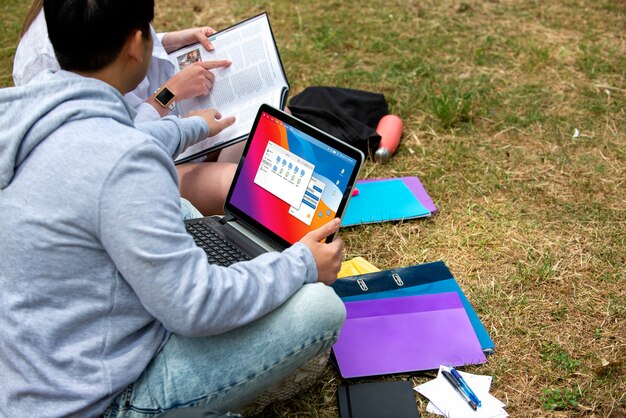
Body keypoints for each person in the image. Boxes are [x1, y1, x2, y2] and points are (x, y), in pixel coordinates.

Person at [0, 1, 346, 417]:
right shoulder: (126, 165)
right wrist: (302, 264)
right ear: (134, 44)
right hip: (100, 399)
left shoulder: (23, 117)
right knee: (320, 308)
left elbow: (115, 140)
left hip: (34, 370)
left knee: (182, 209)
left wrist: (193, 125)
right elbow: (195, 306)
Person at [13, 0, 238, 215]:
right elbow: (109, 149)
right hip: (132, 166)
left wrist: (170, 41)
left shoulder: (84, 17)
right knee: (235, 185)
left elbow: (114, 45)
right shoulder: (46, 59)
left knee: (253, 150)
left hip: (163, 136)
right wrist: (170, 93)